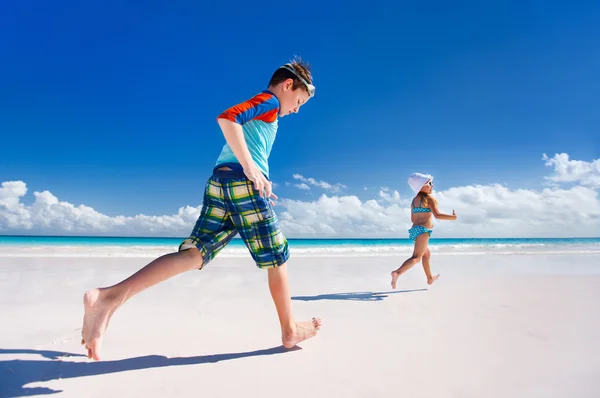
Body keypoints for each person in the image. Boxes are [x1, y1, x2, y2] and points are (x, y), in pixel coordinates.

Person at [81, 57, 322, 361]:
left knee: (193, 255)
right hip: (242, 184)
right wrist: (251, 170)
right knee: (277, 258)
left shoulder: (269, 110)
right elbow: (228, 118)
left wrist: (259, 172)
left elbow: (246, 142)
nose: (297, 109)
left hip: (220, 183)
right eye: (298, 100)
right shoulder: (271, 101)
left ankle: (108, 297)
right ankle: (290, 330)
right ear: (288, 85)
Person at [391, 172, 457, 289]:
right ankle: (397, 272)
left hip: (415, 230)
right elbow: (437, 215)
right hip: (423, 231)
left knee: (426, 254)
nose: (432, 186)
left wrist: (422, 219)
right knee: (416, 258)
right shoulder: (429, 199)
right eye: (430, 183)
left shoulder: (413, 201)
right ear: (421, 186)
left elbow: (412, 219)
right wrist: (453, 217)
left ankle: (429, 278)